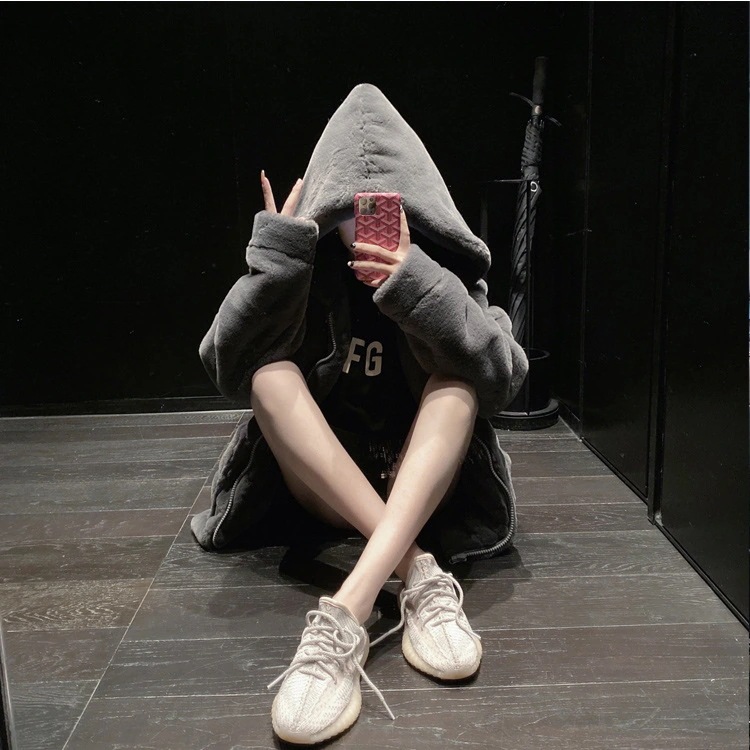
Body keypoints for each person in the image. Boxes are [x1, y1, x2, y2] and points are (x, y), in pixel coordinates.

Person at [193, 83, 529, 744]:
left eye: (381, 207)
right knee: (270, 377)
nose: (363, 221)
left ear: (414, 208)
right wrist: (276, 264)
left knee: (458, 387)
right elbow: (228, 369)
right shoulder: (308, 271)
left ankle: (348, 609)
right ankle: (418, 573)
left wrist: (417, 279)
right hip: (325, 489)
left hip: (419, 487)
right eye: (350, 208)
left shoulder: (440, 273)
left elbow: (502, 378)